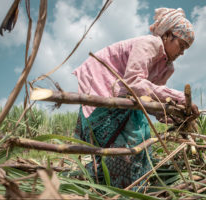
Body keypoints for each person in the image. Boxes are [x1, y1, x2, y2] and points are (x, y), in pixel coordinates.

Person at [73, 7, 199, 189]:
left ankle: (123, 185)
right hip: (103, 88)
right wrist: (179, 97)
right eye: (181, 45)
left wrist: (175, 116)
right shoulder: (149, 44)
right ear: (168, 35)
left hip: (126, 99)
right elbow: (133, 82)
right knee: (127, 144)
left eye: (186, 49)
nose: (182, 53)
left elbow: (151, 100)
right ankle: (115, 185)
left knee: (141, 137)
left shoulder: (168, 68)